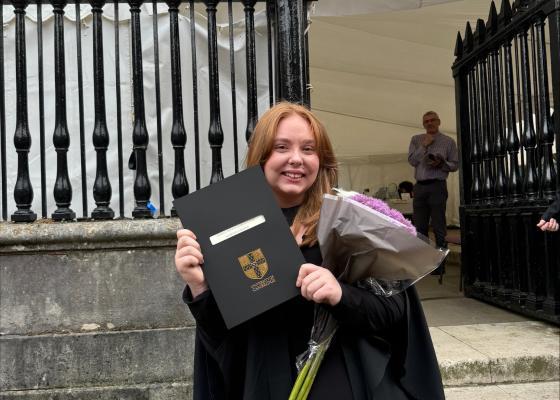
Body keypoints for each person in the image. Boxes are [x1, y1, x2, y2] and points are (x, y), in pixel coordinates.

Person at [175, 102, 445, 400]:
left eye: (308, 149)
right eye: (281, 147)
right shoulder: (227, 228)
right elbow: (224, 337)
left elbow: (393, 312)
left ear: (321, 159)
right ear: (261, 157)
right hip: (264, 379)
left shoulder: (349, 221)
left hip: (341, 377)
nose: (296, 159)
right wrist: (199, 286)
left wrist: (341, 295)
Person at [408, 111, 458, 277]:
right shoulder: (416, 139)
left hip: (437, 185)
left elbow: (454, 165)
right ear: (423, 124)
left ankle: (440, 264)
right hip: (420, 187)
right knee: (420, 227)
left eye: (432, 120)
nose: (429, 123)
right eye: (426, 121)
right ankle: (423, 264)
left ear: (439, 122)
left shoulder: (448, 141)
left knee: (438, 226)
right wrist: (424, 146)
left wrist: (442, 164)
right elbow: (412, 161)